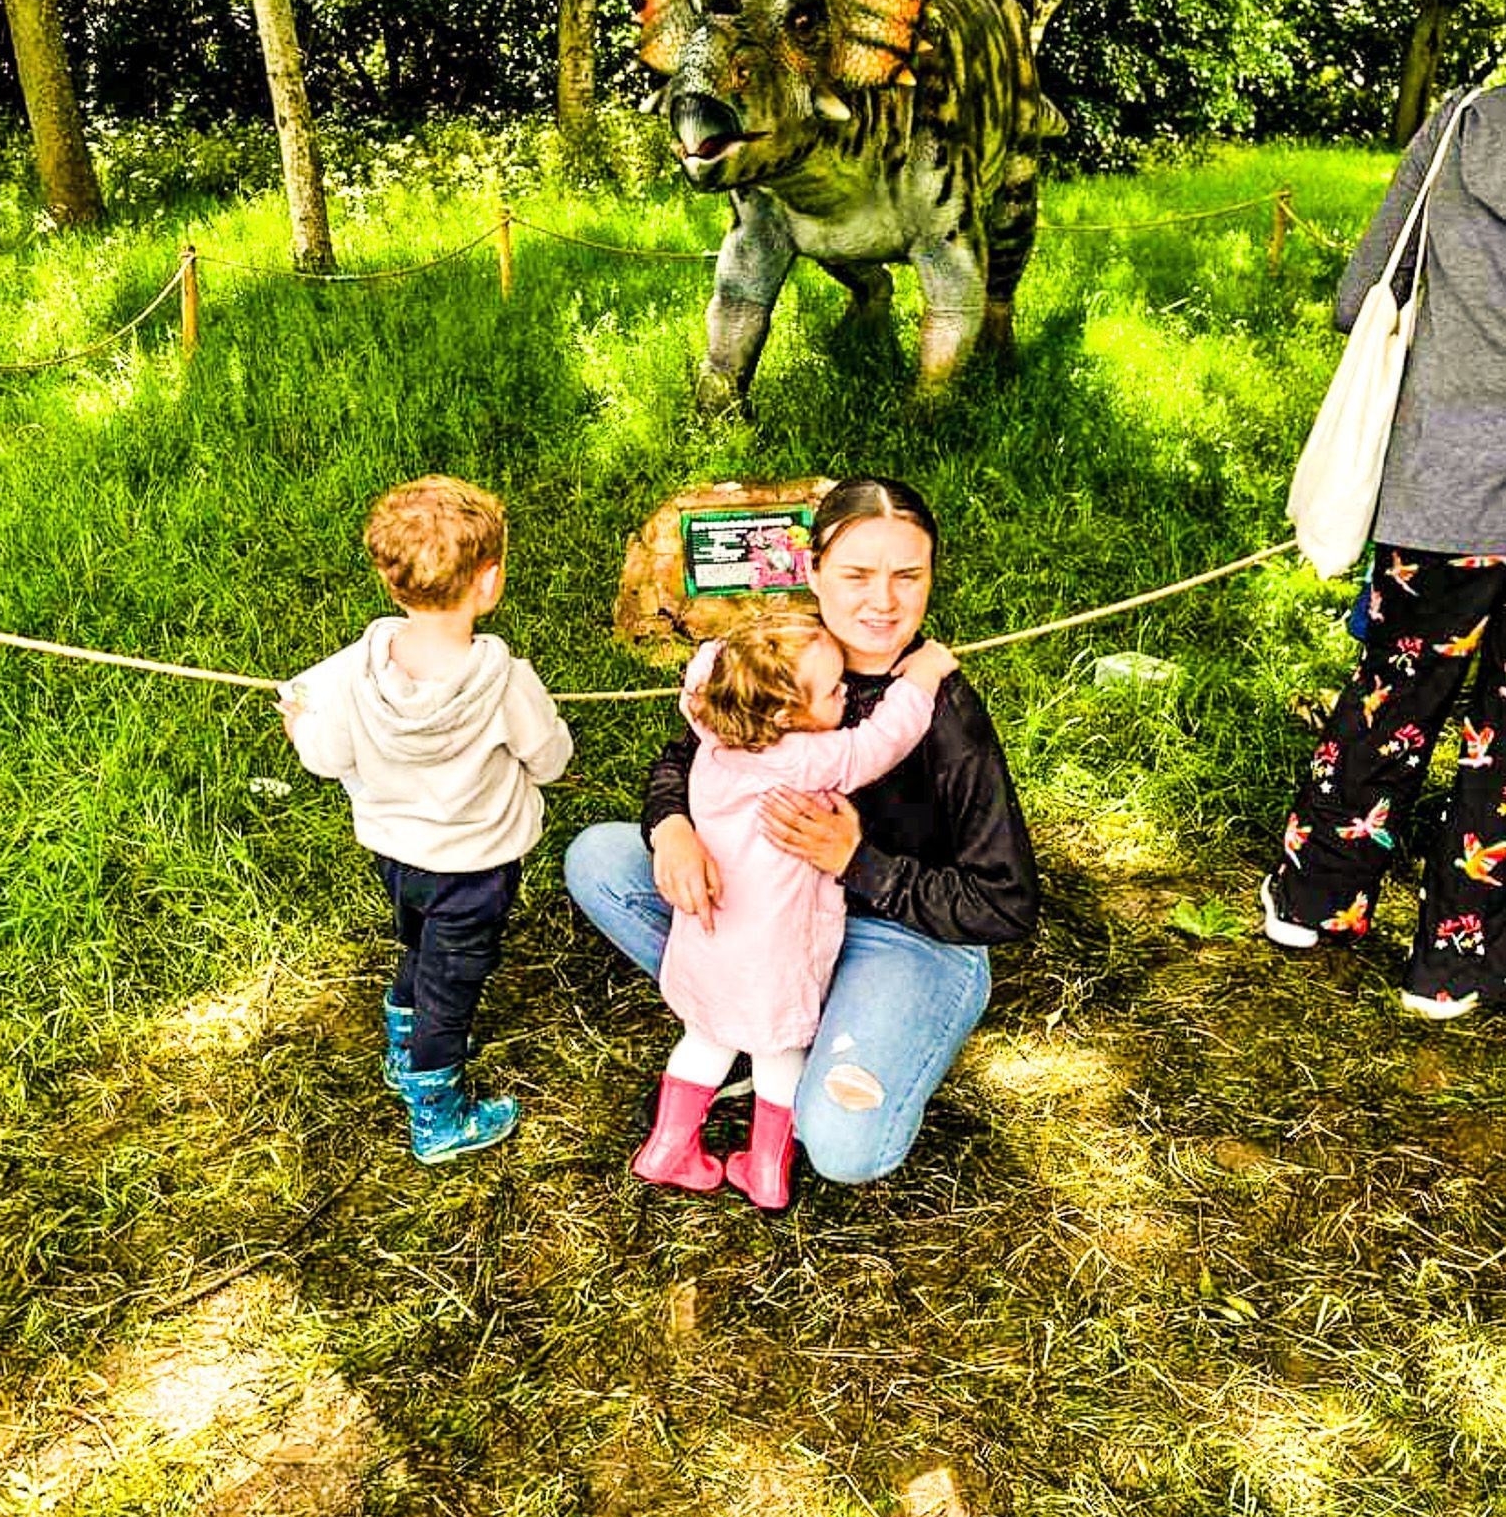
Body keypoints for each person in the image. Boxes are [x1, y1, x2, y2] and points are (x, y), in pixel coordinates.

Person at [566, 476, 1040, 1186]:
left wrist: (859, 861)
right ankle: (764, 1031)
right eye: (855, 575)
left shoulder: (939, 713)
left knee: (845, 1148)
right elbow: (689, 754)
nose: (881, 601)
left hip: (901, 933)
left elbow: (1004, 903)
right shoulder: (785, 662)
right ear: (812, 571)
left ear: (931, 578)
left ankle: (818, 1040)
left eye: (907, 576)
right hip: (770, 916)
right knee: (599, 858)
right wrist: (672, 830)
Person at [1262, 85, 1506, 1018]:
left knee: (1392, 696)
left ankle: (1315, 901)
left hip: (1440, 487)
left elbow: (1361, 294)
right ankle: (1454, 964)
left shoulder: (1460, 123)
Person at [279, 475, 573, 1160]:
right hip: (475, 871)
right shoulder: (507, 682)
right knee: (452, 983)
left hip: (397, 860)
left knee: (419, 946)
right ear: (489, 582)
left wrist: (299, 725)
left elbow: (325, 758)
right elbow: (552, 760)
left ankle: (402, 1033)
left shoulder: (354, 671)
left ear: (391, 584)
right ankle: (437, 1111)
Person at [636, 607, 960, 1208]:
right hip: (775, 955)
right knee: (779, 1052)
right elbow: (880, 743)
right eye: (834, 690)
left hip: (710, 941)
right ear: (787, 715)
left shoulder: (712, 733)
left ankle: (668, 1146)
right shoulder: (803, 759)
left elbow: (706, 667)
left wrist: (737, 647)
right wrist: (923, 677)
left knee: (706, 1038)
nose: (846, 696)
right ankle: (764, 1168)